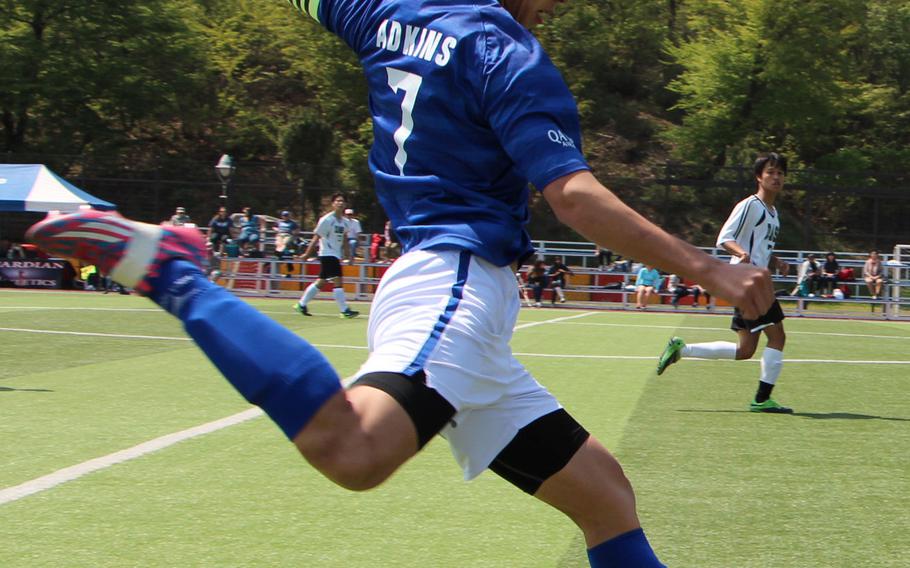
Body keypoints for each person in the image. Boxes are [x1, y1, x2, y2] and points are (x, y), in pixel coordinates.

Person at [26, 2, 776, 566]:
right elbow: (570, 195)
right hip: (455, 279)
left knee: (605, 499)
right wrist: (709, 268)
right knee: (354, 450)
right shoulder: (505, 53)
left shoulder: (389, 10)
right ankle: (173, 270)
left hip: (449, 291)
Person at [657, 153, 792, 414]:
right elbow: (724, 238)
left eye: (780, 173)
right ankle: (762, 400)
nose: (776, 177)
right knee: (778, 337)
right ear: (758, 176)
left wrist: (776, 260)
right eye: (771, 172)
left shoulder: (773, 213)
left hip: (754, 281)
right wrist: (740, 254)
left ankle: (682, 349)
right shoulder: (750, 205)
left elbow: (760, 245)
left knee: (745, 350)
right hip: (747, 281)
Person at [293, 193, 359, 319]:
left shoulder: (345, 222)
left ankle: (301, 304)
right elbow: (316, 237)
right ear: (333, 204)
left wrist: (349, 255)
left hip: (336, 254)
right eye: (338, 201)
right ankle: (344, 310)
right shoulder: (327, 220)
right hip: (327, 253)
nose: (340, 203)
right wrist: (306, 254)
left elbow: (344, 238)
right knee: (338, 280)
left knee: (321, 282)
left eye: (342, 201)